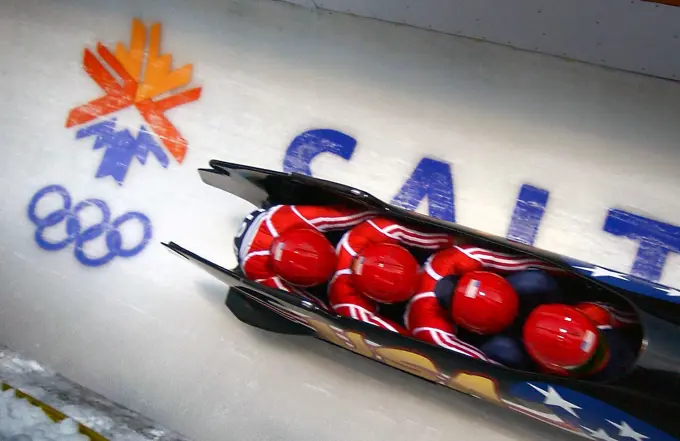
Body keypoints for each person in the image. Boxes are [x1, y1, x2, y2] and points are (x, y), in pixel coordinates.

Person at [405, 244, 565, 362]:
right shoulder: (429, 328)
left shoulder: (455, 259)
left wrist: (567, 270)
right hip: (473, 334)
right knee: (507, 352)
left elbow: (514, 261)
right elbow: (477, 361)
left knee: (536, 282)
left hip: (499, 300)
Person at [328, 217, 456, 335]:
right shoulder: (348, 302)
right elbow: (402, 342)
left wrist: (451, 240)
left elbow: (415, 234)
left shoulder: (376, 230)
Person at [234, 204, 376, 307]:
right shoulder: (258, 269)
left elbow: (346, 215)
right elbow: (310, 306)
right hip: (251, 253)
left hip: (274, 219)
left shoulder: (287, 218)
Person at [523, 301, 638, 378]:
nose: (602, 359)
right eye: (590, 361)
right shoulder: (551, 373)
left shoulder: (596, 312)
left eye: (598, 349)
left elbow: (633, 319)